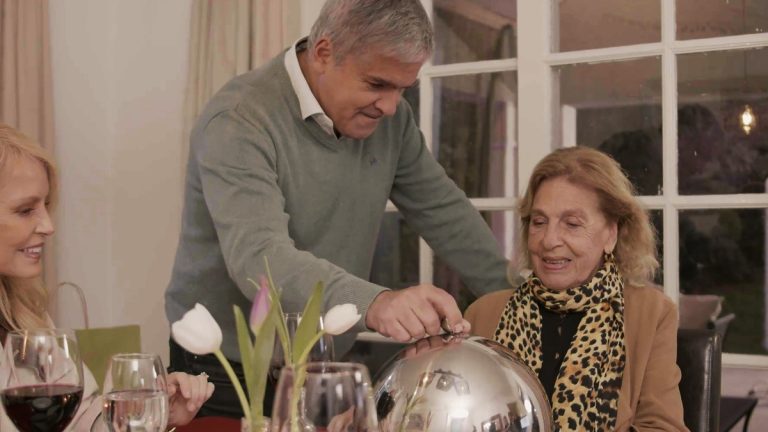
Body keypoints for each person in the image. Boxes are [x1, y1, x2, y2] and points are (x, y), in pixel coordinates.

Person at [165, 0, 509, 418]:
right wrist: (377, 303)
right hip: (221, 372)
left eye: (403, 89)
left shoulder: (392, 121)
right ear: (324, 53)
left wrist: (521, 299)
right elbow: (261, 259)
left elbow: (445, 212)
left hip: (321, 365)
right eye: (377, 83)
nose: (390, 106)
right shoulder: (239, 120)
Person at [0, 124, 214, 431]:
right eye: (25, 210)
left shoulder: (25, 317)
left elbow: (82, 419)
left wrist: (150, 414)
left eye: (45, 206)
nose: (48, 226)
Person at [465, 147, 688, 431]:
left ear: (611, 234)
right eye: (539, 222)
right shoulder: (482, 313)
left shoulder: (652, 313)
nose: (549, 240)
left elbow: (663, 427)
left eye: (571, 224)